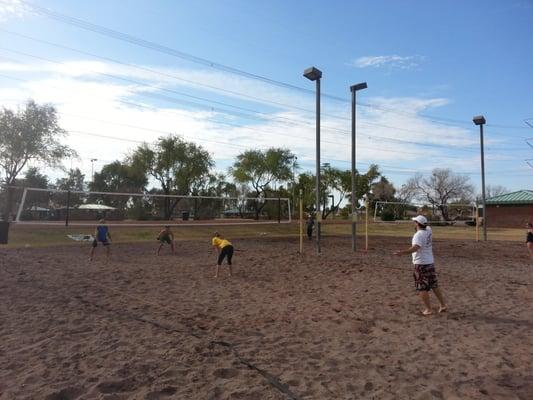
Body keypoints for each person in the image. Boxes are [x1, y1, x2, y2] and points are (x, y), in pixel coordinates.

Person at [393, 215, 447, 316]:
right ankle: (443, 305)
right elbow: (426, 227)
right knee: (434, 285)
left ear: (418, 224)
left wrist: (402, 253)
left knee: (422, 288)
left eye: (415, 222)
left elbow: (415, 248)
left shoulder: (418, 235)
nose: (413, 223)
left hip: (421, 264)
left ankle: (428, 309)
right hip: (430, 262)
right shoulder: (429, 230)